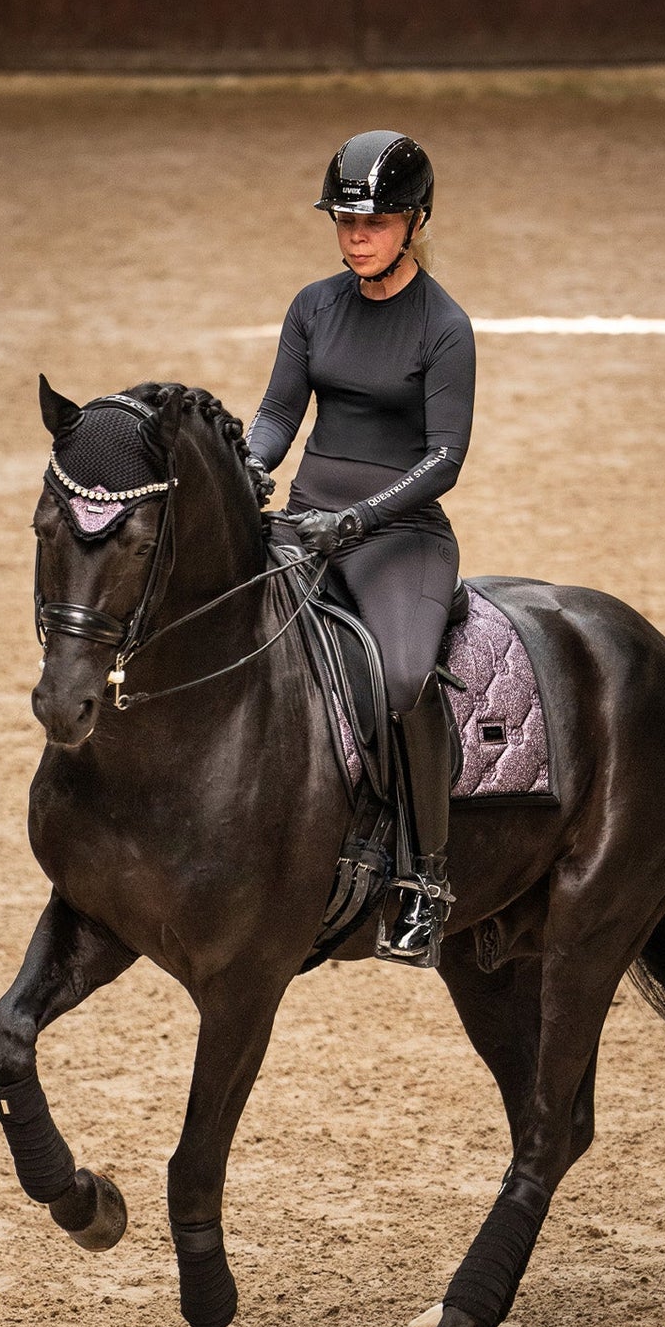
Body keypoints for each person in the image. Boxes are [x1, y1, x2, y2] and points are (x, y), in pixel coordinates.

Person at [246, 129, 477, 966]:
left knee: (406, 679)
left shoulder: (444, 326)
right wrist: (250, 464)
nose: (354, 236)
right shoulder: (312, 305)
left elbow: (443, 458)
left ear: (414, 221)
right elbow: (279, 414)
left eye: (374, 221)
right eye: (344, 219)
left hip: (400, 534)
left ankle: (424, 880)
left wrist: (356, 520)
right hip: (306, 516)